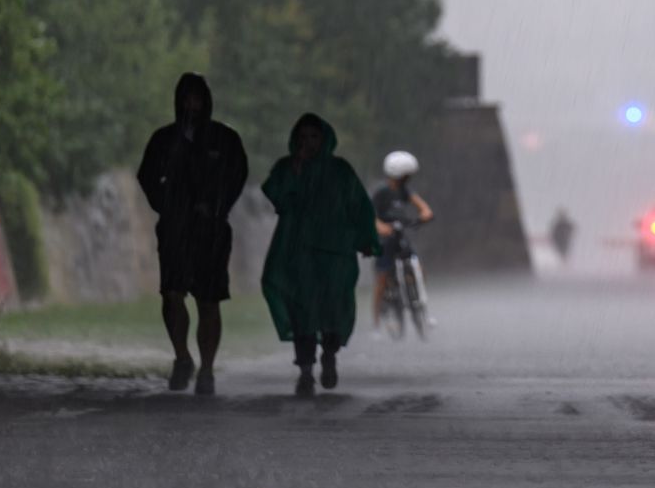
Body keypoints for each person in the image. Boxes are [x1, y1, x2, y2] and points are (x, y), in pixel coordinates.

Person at [135, 72, 249, 396]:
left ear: (207, 100)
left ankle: (208, 368)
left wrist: (217, 207)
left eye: (197, 98)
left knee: (209, 300)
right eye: (186, 98)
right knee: (172, 294)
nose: (192, 105)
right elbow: (146, 176)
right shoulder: (164, 140)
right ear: (178, 101)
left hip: (211, 231)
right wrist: (167, 206)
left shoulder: (224, 140)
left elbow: (238, 175)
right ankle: (182, 356)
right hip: (174, 229)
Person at [261, 113, 378, 395]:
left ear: (324, 139)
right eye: (303, 138)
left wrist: (366, 239)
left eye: (314, 137)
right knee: (302, 311)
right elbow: (277, 196)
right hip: (297, 252)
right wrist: (297, 172)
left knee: (333, 309)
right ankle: (304, 371)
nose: (308, 143)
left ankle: (329, 354)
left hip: (335, 253)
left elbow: (359, 205)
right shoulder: (286, 168)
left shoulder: (340, 171)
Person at [372, 150, 435, 330]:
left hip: (400, 234)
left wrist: (425, 214)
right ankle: (378, 318)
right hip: (384, 238)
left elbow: (422, 206)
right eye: (406, 175)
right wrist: (380, 226)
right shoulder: (381, 191)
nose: (408, 178)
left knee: (419, 268)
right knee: (383, 277)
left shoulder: (404, 191)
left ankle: (419, 305)